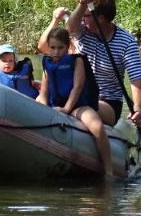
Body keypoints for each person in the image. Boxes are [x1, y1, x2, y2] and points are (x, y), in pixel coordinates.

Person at [41, 0, 141, 129]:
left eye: (87, 16)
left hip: (106, 102)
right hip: (73, 94)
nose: (82, 19)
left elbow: (136, 80)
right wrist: (82, 4)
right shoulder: (82, 31)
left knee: (82, 107)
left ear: (100, 18)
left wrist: (137, 108)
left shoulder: (127, 42)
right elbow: (70, 29)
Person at [36, 13, 113, 176]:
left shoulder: (77, 60)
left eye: (60, 48)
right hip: (55, 104)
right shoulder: (47, 63)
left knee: (97, 126)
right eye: (52, 48)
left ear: (68, 46)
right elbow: (44, 92)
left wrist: (66, 109)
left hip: (77, 105)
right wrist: (42, 110)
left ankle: (109, 170)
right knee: (36, 101)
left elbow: (77, 87)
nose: (56, 52)